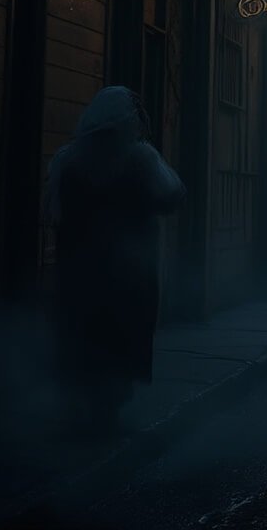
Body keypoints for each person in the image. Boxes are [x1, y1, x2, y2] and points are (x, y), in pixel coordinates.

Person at [46, 86, 185, 434]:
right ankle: (104, 412)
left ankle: (83, 408)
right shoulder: (140, 158)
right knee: (120, 335)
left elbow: (54, 216)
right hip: (127, 273)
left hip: (80, 269)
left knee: (84, 336)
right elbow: (173, 195)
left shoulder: (68, 160)